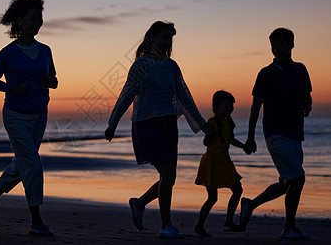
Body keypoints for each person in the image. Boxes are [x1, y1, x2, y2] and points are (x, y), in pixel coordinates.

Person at [104, 21, 213, 239]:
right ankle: (166, 225)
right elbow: (126, 94)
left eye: (170, 39)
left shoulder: (172, 66)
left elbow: (185, 97)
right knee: (168, 173)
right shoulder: (140, 65)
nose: (167, 42)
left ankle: (139, 203)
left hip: (168, 126)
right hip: (146, 124)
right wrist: (112, 123)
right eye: (164, 37)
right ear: (151, 38)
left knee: (169, 177)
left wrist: (203, 125)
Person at [0, 0, 58, 237]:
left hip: (39, 114)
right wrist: (11, 88)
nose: (38, 23)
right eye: (33, 18)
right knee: (32, 165)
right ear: (20, 21)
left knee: (24, 163)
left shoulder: (45, 50)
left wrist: (51, 82)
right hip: (15, 116)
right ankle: (36, 221)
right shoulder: (8, 53)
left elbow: (52, 77)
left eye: (40, 18)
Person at [240, 28, 312, 240]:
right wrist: (251, 137)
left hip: (296, 134)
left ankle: (250, 204)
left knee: (287, 183)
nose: (277, 49)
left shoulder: (301, 70)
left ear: (291, 45)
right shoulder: (266, 73)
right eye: (273, 46)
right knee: (298, 179)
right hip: (275, 133)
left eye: (281, 45)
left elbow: (307, 96)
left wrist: (307, 106)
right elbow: (255, 107)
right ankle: (289, 227)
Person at [194, 90, 252, 237]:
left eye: (231, 106)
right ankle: (199, 226)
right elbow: (206, 142)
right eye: (226, 106)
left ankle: (228, 219)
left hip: (225, 162)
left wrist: (244, 146)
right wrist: (210, 135)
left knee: (237, 190)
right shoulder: (212, 123)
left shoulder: (228, 123)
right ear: (216, 108)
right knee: (213, 198)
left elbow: (230, 140)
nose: (229, 109)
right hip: (212, 162)